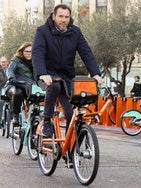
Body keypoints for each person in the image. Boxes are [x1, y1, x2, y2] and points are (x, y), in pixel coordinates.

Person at [32, 4, 103, 138]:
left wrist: (95, 73)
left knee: (71, 113)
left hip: (66, 76)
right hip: (48, 74)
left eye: (66, 17)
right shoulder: (42, 31)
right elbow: (37, 53)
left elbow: (86, 53)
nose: (64, 20)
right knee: (54, 86)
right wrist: (42, 73)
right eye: (60, 16)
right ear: (54, 16)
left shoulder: (75, 32)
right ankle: (47, 120)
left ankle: (73, 148)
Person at [5, 42, 35, 126]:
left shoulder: (37, 61)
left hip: (29, 86)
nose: (29, 54)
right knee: (17, 92)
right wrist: (11, 78)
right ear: (22, 51)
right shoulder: (16, 59)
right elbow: (10, 70)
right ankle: (15, 116)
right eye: (27, 51)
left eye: (31, 51)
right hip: (14, 85)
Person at [0, 56, 9, 121]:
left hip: (9, 88)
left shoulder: (10, 69)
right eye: (2, 62)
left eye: (5, 62)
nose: (3, 63)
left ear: (7, 62)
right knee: (1, 101)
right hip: (1, 88)